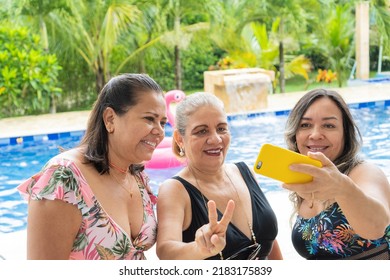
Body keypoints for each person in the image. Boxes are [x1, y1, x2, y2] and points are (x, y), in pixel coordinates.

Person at [17, 73, 167, 260]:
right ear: (110, 119)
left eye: (162, 122)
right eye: (149, 119)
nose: (160, 132)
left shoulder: (136, 175)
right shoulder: (63, 179)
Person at [156, 92, 283, 260]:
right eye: (201, 131)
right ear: (180, 138)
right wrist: (198, 248)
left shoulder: (245, 173)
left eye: (221, 128)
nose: (215, 139)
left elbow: (270, 241)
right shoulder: (175, 190)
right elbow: (165, 250)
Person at [283, 88, 390, 260]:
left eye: (329, 125)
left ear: (345, 134)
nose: (315, 134)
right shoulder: (307, 181)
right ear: (295, 134)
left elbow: (376, 227)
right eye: (305, 125)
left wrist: (342, 188)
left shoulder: (365, 172)